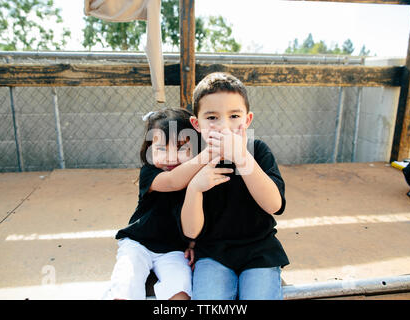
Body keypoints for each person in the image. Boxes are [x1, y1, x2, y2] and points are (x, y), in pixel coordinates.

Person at [180, 72, 289, 300]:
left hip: (260, 250)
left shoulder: (257, 150)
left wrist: (242, 157)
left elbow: (274, 204)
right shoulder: (193, 160)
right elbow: (190, 231)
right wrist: (195, 189)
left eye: (234, 116)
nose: (223, 126)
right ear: (196, 123)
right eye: (211, 118)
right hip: (212, 253)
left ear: (247, 120)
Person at [103, 107, 227, 300]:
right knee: (126, 283)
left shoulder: (201, 178)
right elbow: (174, 182)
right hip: (138, 243)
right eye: (161, 149)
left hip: (174, 250)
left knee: (181, 291)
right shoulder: (150, 173)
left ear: (196, 148)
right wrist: (211, 153)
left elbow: (202, 216)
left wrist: (193, 244)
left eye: (181, 148)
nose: (170, 157)